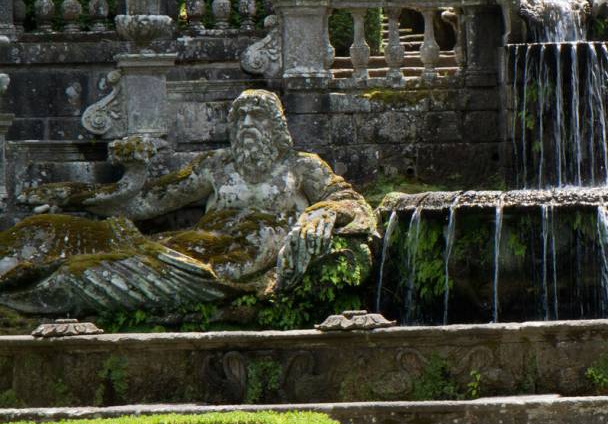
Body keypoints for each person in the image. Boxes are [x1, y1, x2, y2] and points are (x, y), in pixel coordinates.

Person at [0, 89, 375, 318]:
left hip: (225, 265)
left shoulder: (300, 166)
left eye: (256, 115)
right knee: (42, 232)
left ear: (277, 126)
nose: (246, 122)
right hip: (188, 248)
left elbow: (351, 201)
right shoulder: (215, 166)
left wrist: (323, 211)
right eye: (239, 116)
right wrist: (76, 195)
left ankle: (37, 282)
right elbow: (142, 204)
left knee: (77, 274)